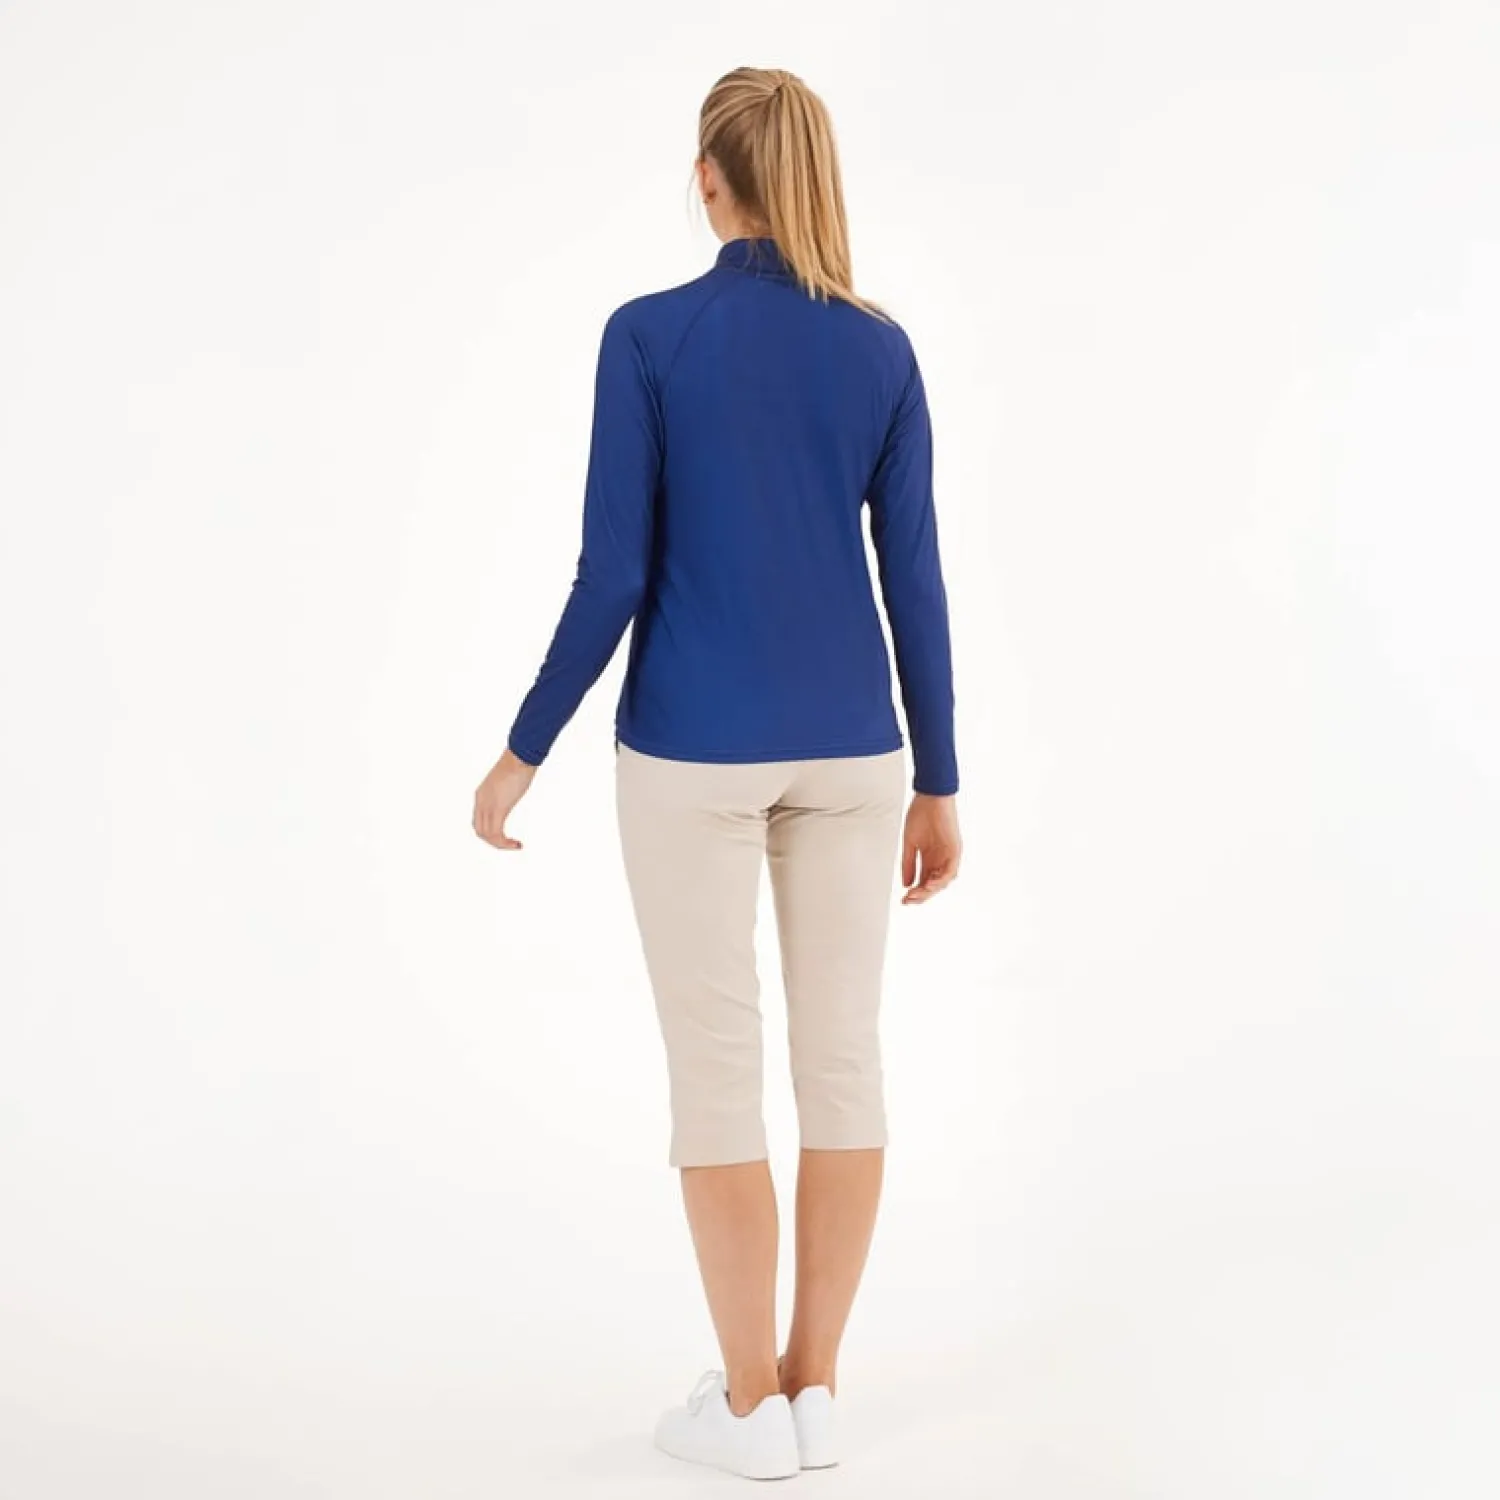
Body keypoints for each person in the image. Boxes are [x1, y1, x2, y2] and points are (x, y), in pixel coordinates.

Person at [472, 65, 962, 1482]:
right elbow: (915, 581)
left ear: (707, 177)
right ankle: (815, 1391)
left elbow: (614, 572)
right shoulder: (882, 349)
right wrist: (939, 778)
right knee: (844, 1064)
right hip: (858, 754)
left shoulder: (648, 336)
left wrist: (521, 750)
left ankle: (746, 1408)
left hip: (691, 750)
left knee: (719, 1073)